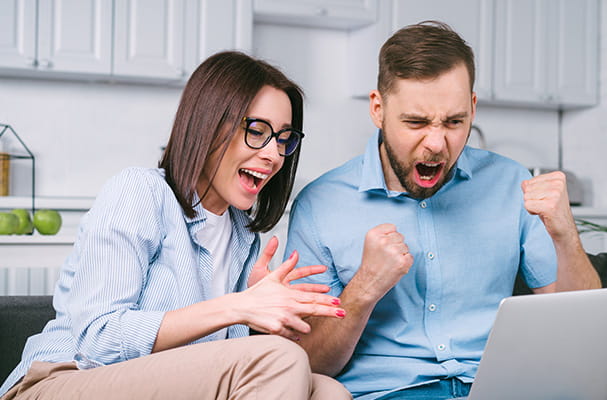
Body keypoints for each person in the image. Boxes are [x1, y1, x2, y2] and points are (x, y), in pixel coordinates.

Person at [0, 51, 352, 400]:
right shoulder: (141, 191)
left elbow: (213, 366)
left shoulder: (244, 236)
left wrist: (257, 325)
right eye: (257, 131)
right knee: (282, 360)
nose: (273, 155)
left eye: (282, 139)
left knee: (328, 392)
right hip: (60, 382)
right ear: (208, 125)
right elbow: (98, 339)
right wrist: (237, 305)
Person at [284, 21, 601, 399]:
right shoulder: (321, 204)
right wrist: (364, 288)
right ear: (378, 109)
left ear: (473, 107)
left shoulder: (509, 183)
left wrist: (566, 235)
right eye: (415, 122)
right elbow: (310, 363)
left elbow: (583, 328)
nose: (436, 144)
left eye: (454, 122)